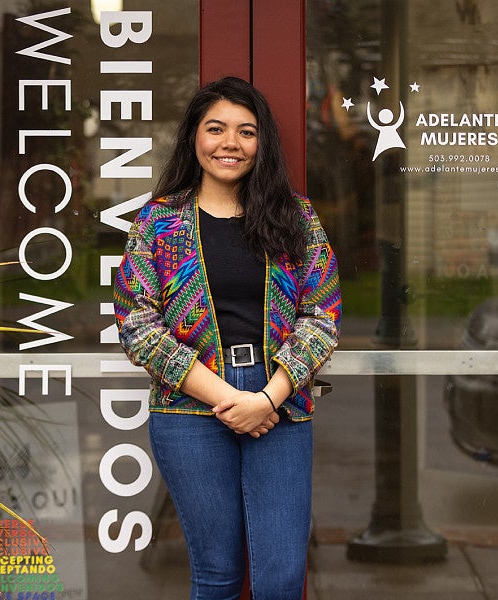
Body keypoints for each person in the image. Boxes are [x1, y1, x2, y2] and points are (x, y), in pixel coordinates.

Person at [114, 76, 341, 600]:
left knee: (281, 580)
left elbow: (322, 314)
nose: (229, 144)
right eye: (216, 129)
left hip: (280, 404)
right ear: (194, 136)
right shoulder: (159, 221)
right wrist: (231, 399)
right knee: (216, 576)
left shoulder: (295, 217)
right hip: (191, 407)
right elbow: (137, 324)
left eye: (246, 132)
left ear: (263, 144)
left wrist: (266, 398)